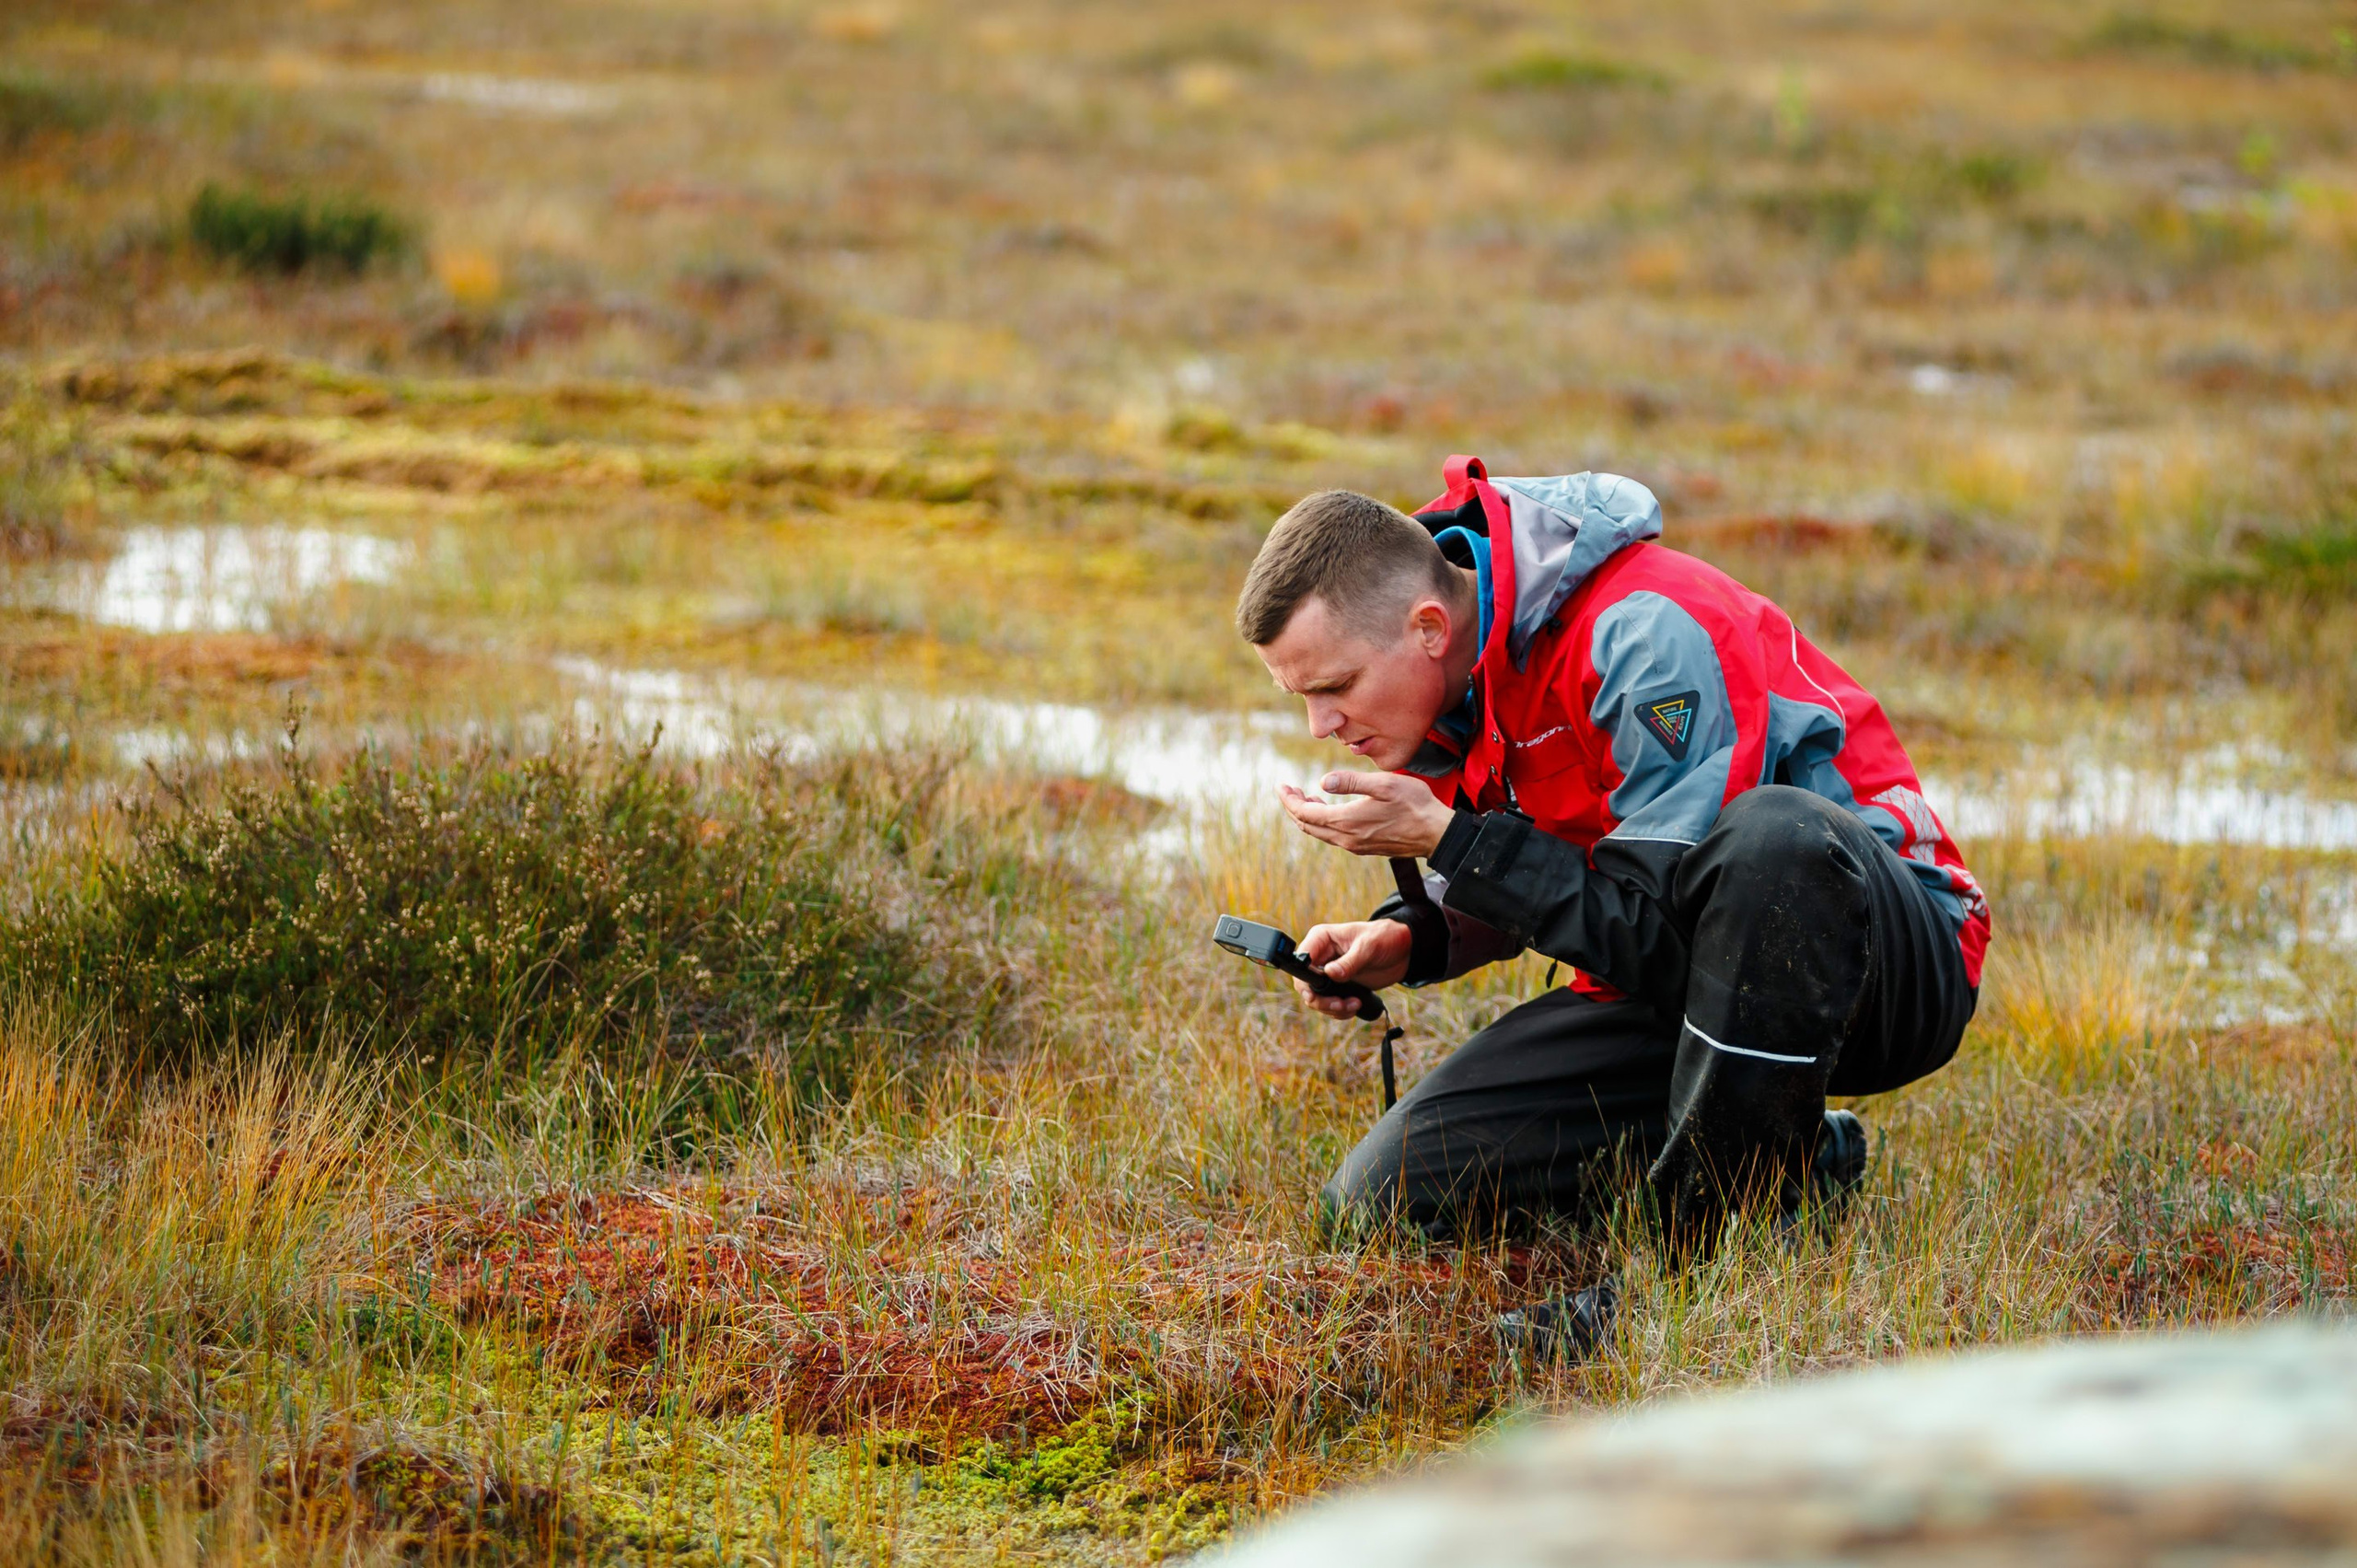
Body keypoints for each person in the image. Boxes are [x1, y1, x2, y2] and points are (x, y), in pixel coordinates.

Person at [1237, 457, 1988, 1342]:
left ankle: (1697, 1269)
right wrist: (1415, 936)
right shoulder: (1464, 678)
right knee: (1377, 1204)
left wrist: (1448, 837)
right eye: (1302, 698)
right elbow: (1569, 872)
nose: (1322, 725)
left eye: (1332, 688)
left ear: (1429, 627)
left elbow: (1662, 929)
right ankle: (1798, 1157)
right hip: (1679, 986)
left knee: (1772, 835)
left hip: (1885, 967)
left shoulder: (1640, 636)